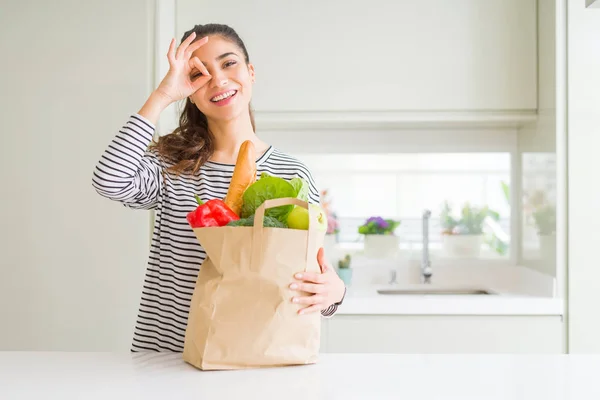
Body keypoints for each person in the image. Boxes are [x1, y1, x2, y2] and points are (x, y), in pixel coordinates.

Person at [92, 23, 346, 352]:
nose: (219, 80)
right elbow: (109, 180)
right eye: (199, 74)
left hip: (251, 358)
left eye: (228, 63)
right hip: (167, 358)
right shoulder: (172, 166)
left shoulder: (292, 173)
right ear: (189, 92)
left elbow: (307, 279)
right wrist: (163, 96)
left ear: (250, 72)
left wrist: (334, 294)